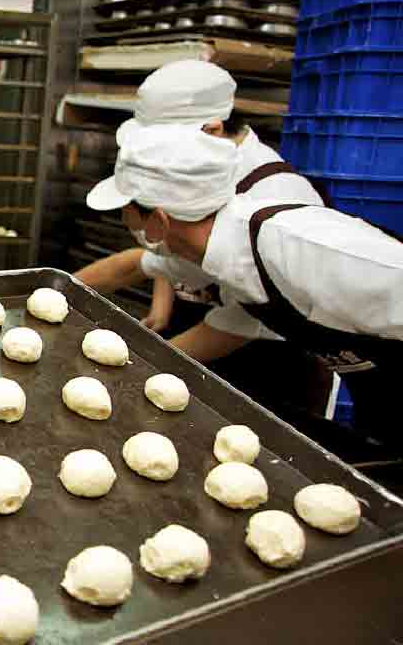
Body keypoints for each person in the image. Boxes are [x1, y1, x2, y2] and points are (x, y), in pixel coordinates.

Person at [84, 102, 403, 452]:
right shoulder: (219, 251)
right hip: (380, 403)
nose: (125, 222)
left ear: (159, 221)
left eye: (126, 212)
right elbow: (231, 321)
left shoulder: (299, 246)